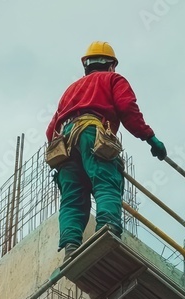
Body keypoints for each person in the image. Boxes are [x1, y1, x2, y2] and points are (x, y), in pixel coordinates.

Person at [46, 41, 167, 261]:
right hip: (91, 132)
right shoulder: (113, 79)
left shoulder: (70, 91)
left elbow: (50, 131)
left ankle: (71, 247)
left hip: (64, 143)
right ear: (111, 65)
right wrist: (150, 137)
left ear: (87, 66)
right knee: (106, 181)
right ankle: (107, 230)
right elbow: (127, 109)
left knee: (72, 198)